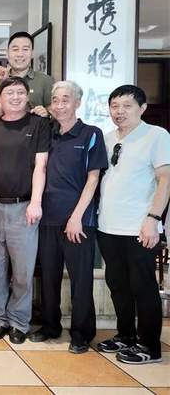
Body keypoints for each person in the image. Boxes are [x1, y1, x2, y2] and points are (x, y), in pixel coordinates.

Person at [29, 81, 108, 353]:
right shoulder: (47, 134)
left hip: (79, 222)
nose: (60, 105)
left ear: (77, 102)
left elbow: (93, 179)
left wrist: (77, 217)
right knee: (48, 277)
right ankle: (50, 326)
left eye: (66, 99)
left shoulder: (91, 134)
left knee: (81, 279)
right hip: (48, 218)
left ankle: (81, 334)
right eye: (55, 100)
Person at [96, 85, 170, 364]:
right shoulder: (107, 138)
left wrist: (153, 219)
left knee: (143, 286)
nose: (120, 111)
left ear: (142, 108)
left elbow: (165, 179)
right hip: (108, 226)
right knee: (117, 284)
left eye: (127, 106)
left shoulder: (156, 135)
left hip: (140, 227)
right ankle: (125, 335)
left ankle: (149, 345)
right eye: (114, 106)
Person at [0, 76, 50, 344]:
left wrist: (36, 202)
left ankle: (19, 322)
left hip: (23, 208)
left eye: (20, 92)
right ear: (0, 98)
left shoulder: (38, 125)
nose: (15, 97)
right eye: (9, 93)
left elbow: (41, 166)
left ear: (27, 97)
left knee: (22, 270)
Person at [0, 31, 54, 117]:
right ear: (7, 53)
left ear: (32, 53)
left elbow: (55, 110)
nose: (20, 54)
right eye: (15, 49)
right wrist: (1, 82)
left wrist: (46, 113)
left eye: (25, 49)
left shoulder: (45, 81)